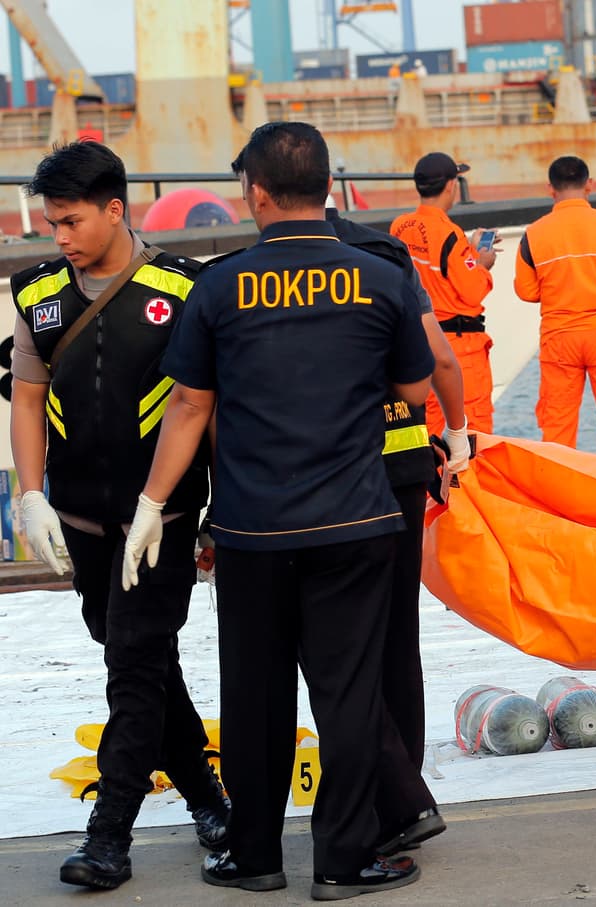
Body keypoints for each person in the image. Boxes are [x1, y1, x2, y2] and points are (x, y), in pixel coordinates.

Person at [121, 122, 432, 898]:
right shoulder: (379, 277)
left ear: (255, 194)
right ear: (327, 186)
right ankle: (344, 858)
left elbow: (189, 407)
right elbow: (417, 390)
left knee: (254, 694)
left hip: (253, 529)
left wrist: (152, 505)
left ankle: (254, 855)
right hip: (354, 521)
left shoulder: (219, 286)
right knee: (349, 693)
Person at [9, 141, 228, 891]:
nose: (59, 238)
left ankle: (109, 838)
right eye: (50, 224)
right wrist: (29, 493)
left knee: (131, 667)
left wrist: (206, 516)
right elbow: (29, 397)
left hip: (158, 519)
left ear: (114, 208)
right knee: (144, 659)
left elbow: (208, 408)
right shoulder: (36, 293)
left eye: (70, 221)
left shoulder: (186, 288)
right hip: (81, 520)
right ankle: (210, 801)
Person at [324, 202, 471, 856]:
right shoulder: (388, 259)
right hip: (405, 465)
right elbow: (441, 358)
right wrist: (459, 430)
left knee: (340, 641)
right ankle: (404, 790)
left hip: (333, 473)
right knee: (396, 635)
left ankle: (385, 794)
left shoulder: (285, 264)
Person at [514, 155, 596, 461]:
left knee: (557, 429)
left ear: (551, 188)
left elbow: (526, 291)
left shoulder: (534, 234)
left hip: (559, 340)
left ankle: (560, 500)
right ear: (589, 185)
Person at [391, 152, 498, 434]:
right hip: (459, 349)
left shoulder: (399, 226)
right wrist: (483, 264)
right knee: (473, 434)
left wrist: (469, 251)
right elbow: (473, 290)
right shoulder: (449, 234)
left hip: (417, 345)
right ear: (451, 185)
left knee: (430, 431)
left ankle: (436, 480)